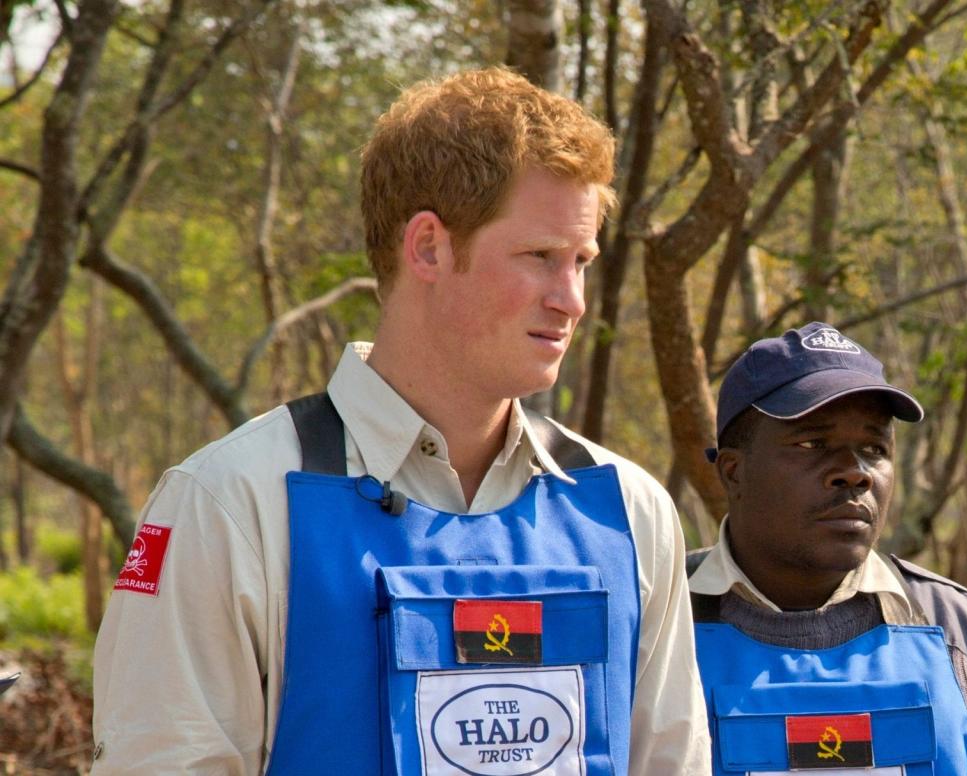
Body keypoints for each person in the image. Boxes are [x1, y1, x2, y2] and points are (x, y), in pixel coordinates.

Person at [92, 68, 711, 775]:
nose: (571, 300)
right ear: (427, 247)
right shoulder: (229, 505)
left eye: (582, 262)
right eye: (540, 257)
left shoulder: (631, 514)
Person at [687, 322, 967, 775]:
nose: (855, 473)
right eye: (813, 443)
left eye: (873, 447)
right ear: (733, 472)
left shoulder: (964, 634)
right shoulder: (655, 623)